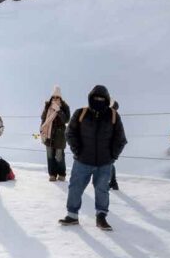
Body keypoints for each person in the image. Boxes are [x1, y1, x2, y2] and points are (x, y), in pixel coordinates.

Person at [59, 85, 127, 230]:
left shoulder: (114, 115)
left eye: (102, 98)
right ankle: (72, 215)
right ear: (90, 98)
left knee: (102, 190)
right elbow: (70, 133)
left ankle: (101, 217)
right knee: (75, 187)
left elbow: (120, 139)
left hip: (104, 163)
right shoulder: (81, 113)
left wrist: (112, 156)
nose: (98, 100)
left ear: (107, 100)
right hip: (82, 161)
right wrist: (78, 151)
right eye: (95, 98)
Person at [40, 87, 71, 181]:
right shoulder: (48, 106)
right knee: (50, 155)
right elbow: (43, 119)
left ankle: (62, 174)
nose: (55, 98)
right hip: (48, 134)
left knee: (59, 156)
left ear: (60, 98)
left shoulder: (65, 107)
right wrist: (42, 130)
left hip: (60, 135)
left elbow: (66, 120)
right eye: (54, 97)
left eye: (57, 97)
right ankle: (52, 174)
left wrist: (58, 110)